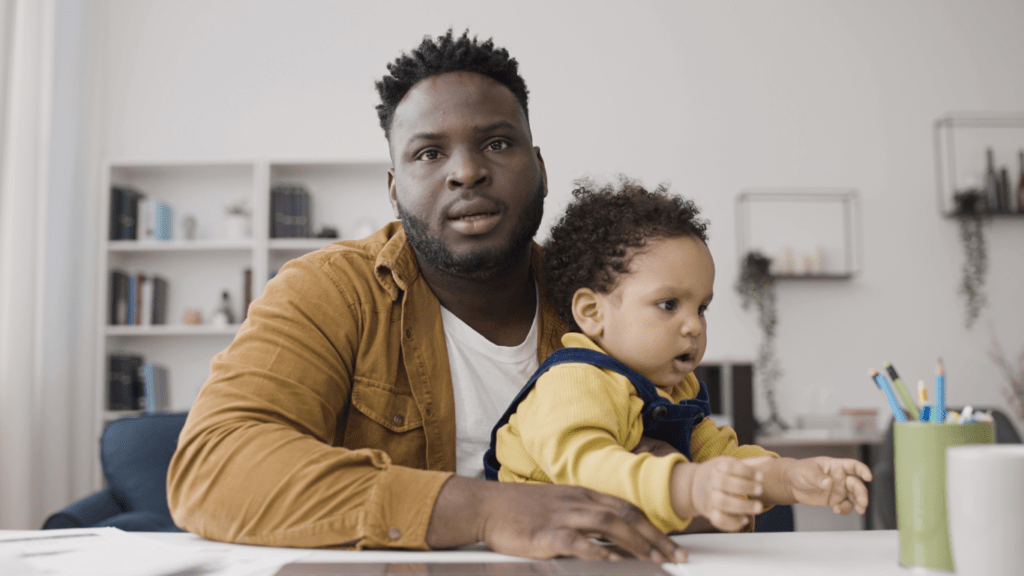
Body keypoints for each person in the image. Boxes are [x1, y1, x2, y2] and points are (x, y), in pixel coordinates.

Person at [167, 29, 687, 563]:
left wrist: (675, 469)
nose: (466, 172)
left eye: (497, 143)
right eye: (430, 152)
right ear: (395, 189)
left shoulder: (611, 299)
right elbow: (213, 467)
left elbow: (688, 471)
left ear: (541, 168)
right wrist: (485, 510)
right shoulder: (326, 292)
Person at [484, 178, 873, 534]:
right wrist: (688, 485)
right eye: (669, 304)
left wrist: (789, 477)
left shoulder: (676, 388)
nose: (694, 326)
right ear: (592, 313)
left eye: (701, 308)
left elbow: (723, 457)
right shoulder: (574, 381)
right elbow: (589, 470)